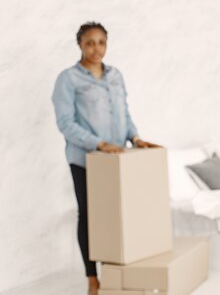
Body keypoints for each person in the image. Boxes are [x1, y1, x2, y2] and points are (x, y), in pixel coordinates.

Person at [52, 22, 159, 295]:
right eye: (89, 42)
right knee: (88, 216)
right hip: (86, 160)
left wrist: (135, 138)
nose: (96, 48)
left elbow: (123, 111)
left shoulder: (116, 75)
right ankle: (92, 277)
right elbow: (65, 123)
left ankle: (118, 269)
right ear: (79, 45)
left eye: (101, 42)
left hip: (118, 162)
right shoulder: (68, 79)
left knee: (119, 213)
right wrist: (99, 144)